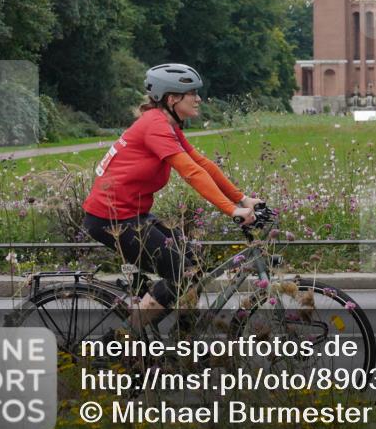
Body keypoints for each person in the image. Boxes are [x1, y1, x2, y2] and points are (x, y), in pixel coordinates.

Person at [82, 63, 264, 327]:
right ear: (172, 98)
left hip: (132, 214)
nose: (199, 99)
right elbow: (190, 172)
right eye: (192, 93)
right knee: (181, 274)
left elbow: (202, 163)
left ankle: (183, 342)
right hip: (112, 220)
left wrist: (242, 199)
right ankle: (123, 343)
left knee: (193, 265)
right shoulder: (155, 126)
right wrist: (232, 210)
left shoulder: (166, 124)